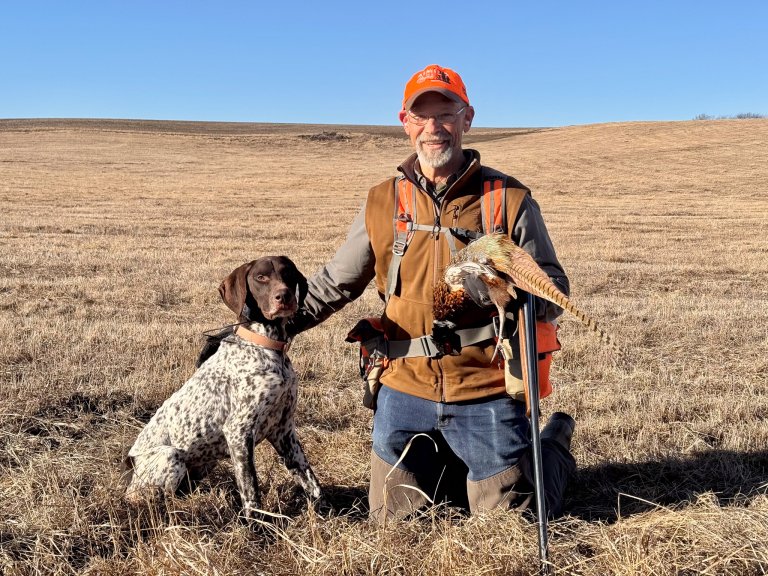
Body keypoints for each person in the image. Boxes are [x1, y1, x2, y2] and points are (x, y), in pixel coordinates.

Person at [289, 64, 576, 523]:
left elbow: (554, 290)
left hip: (485, 387)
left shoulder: (507, 200)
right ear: (405, 122)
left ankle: (551, 446)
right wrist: (277, 324)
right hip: (404, 387)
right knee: (393, 525)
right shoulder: (383, 201)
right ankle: (454, 464)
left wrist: (499, 291)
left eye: (445, 114)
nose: (433, 129)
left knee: (514, 525)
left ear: (467, 118)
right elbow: (336, 281)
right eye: (420, 117)